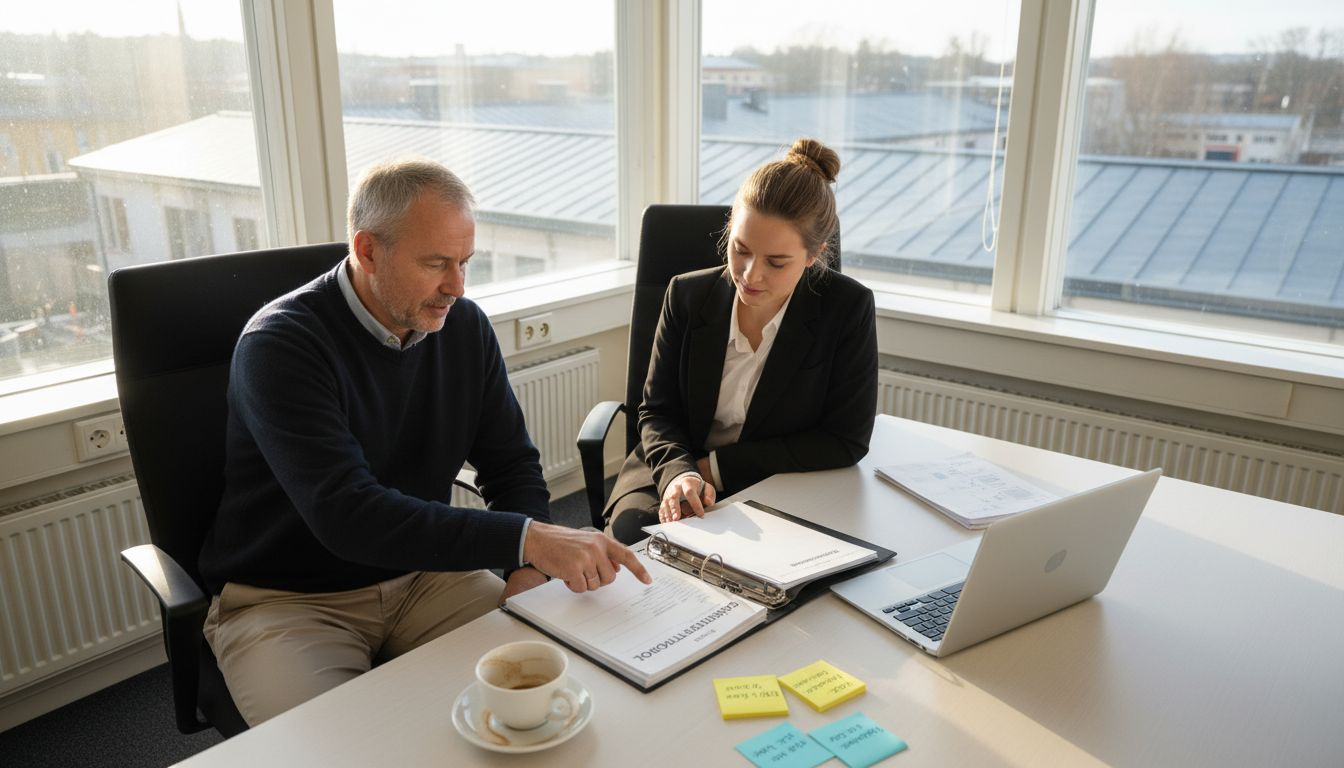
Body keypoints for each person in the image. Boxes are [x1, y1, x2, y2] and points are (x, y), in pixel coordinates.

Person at [199, 158, 649, 726]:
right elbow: (348, 515)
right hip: (290, 599)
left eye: (465, 262)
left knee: (549, 691)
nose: (456, 287)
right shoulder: (280, 346)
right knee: (341, 749)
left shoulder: (463, 326)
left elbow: (510, 463)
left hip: (422, 576)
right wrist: (528, 539)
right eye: (436, 263)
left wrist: (528, 570)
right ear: (367, 251)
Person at [605, 138, 878, 544]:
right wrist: (681, 473)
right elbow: (657, 412)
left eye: (776, 262)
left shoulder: (847, 309)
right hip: (672, 464)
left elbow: (846, 439)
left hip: (776, 478)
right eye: (741, 249)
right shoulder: (685, 296)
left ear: (813, 255)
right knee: (635, 544)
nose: (750, 275)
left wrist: (715, 468)